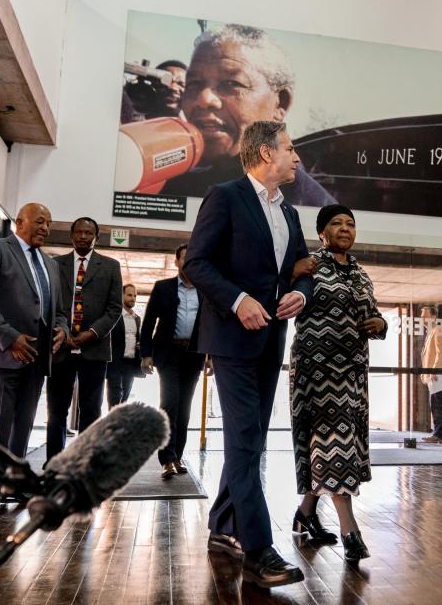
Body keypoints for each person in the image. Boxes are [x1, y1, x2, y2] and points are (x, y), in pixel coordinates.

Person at [184, 120, 311, 588]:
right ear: (264, 154)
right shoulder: (226, 196)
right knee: (244, 440)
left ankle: (222, 525)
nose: (297, 158)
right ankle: (258, 550)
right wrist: (238, 301)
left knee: (250, 439)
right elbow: (197, 262)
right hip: (232, 340)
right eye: (290, 149)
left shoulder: (290, 213)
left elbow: (301, 268)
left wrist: (301, 292)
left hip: (271, 338)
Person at [289, 204, 386, 562]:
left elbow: (372, 314)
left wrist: (380, 325)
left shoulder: (361, 274)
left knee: (335, 445)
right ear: (322, 233)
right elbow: (287, 301)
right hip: (317, 373)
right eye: (336, 224)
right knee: (334, 445)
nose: (345, 228)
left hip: (353, 374)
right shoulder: (310, 268)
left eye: (350, 224)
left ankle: (305, 512)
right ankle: (351, 532)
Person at [160, 24, 336, 207]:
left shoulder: (311, 211)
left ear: (280, 104)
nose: (203, 99)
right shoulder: (172, 185)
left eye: (231, 83)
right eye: (194, 84)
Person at [0, 203, 67, 516]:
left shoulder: (50, 264)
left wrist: (61, 329)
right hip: (0, 354)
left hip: (36, 359)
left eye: (49, 223)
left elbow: (59, 310)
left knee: (22, 426)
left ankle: (12, 484)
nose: (45, 229)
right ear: (19, 221)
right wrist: (10, 338)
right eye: (39, 221)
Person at [45, 217, 123, 463]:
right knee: (56, 410)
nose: (83, 236)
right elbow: (50, 304)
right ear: (71, 236)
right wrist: (64, 332)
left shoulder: (111, 266)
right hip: (60, 347)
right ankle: (54, 464)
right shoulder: (55, 265)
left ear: (96, 238)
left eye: (89, 233)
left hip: (95, 349)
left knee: (91, 411)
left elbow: (114, 308)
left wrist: (91, 334)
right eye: (78, 232)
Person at [140, 243, 206, 479]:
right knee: (169, 404)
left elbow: (210, 326)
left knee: (185, 409)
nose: (188, 263)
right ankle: (166, 459)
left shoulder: (203, 290)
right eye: (184, 259)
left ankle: (177, 456)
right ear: (176, 261)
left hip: (194, 355)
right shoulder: (163, 288)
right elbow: (148, 323)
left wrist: (210, 356)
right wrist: (146, 353)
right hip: (168, 354)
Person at [420, 305, 442, 444]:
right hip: (435, 375)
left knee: (436, 404)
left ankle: (439, 434)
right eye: (421, 316)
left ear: (433, 317)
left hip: (438, 374)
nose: (422, 318)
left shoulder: (438, 330)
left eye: (425, 316)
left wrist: (434, 370)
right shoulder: (431, 332)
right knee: (438, 404)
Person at [105, 283, 143, 408]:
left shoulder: (137, 318)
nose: (133, 298)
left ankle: (120, 425)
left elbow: (136, 338)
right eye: (129, 295)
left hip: (130, 364)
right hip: (115, 363)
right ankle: (113, 426)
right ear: (122, 295)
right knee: (114, 398)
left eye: (135, 296)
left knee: (125, 399)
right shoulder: (114, 316)